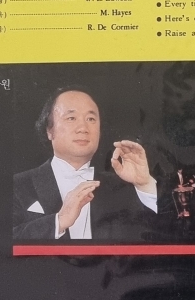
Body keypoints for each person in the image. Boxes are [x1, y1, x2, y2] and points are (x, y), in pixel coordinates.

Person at [13, 88, 160, 243]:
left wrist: (145, 184)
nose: (83, 128)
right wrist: (58, 221)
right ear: (50, 130)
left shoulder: (123, 187)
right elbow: (1, 246)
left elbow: (162, 237)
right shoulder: (16, 185)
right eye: (71, 118)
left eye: (91, 119)